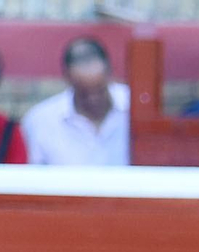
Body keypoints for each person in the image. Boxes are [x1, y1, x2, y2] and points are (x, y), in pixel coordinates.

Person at [21, 37, 129, 166]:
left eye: (99, 91)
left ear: (109, 73)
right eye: (85, 93)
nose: (93, 100)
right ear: (68, 79)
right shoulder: (41, 120)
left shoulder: (135, 107)